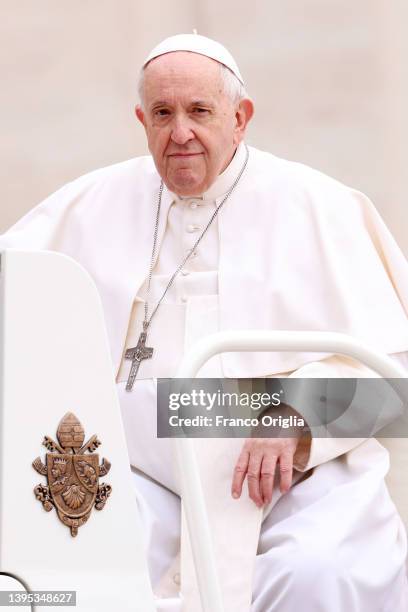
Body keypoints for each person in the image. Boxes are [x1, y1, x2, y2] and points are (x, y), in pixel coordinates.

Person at [1, 33, 408, 611]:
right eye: (163, 114)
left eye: (199, 112)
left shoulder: (316, 205)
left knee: (319, 572)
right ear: (142, 120)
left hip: (297, 491)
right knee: (68, 567)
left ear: (240, 118)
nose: (180, 132)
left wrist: (296, 416)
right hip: (145, 485)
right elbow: (17, 294)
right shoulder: (91, 203)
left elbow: (391, 365)